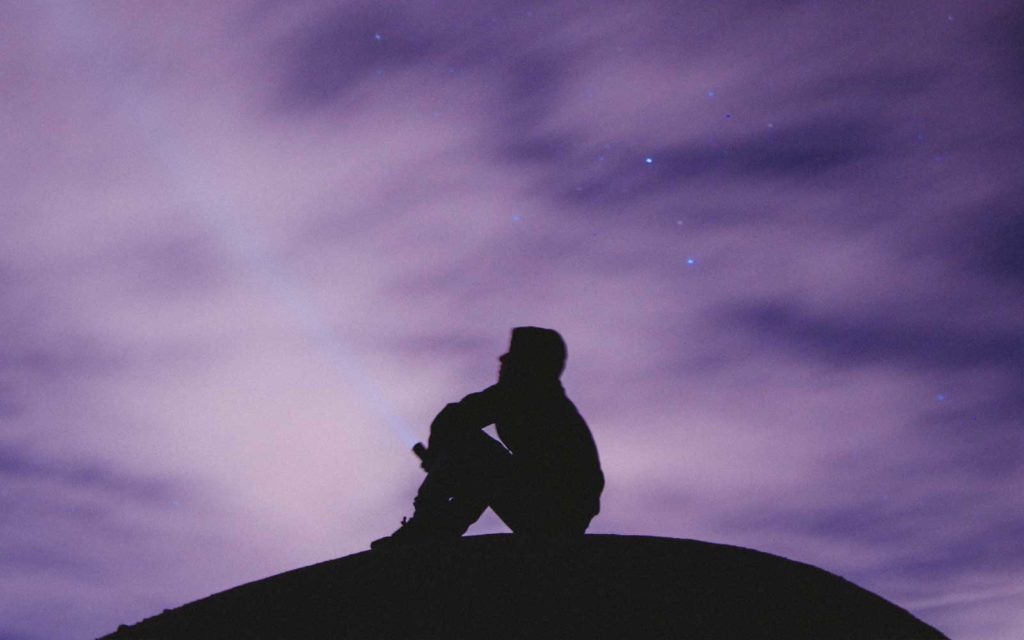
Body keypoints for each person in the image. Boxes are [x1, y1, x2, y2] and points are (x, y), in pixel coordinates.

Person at [371, 327, 604, 549]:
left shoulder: (530, 395)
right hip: (550, 509)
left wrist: (439, 460)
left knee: (474, 453)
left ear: (530, 365)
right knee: (479, 465)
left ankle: (427, 528)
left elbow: (454, 420)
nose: (502, 361)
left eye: (513, 357)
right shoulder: (533, 396)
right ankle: (432, 529)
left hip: (555, 514)